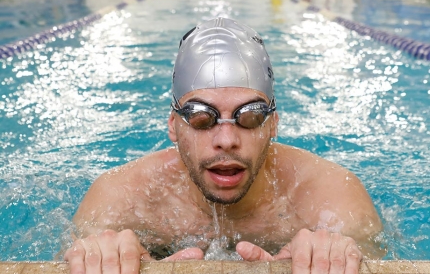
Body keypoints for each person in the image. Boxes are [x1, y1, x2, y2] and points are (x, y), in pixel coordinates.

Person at [65, 17, 384, 274]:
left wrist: (338, 257)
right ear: (174, 126)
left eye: (251, 116)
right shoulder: (118, 199)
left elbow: (382, 263)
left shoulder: (332, 199)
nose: (227, 140)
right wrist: (97, 259)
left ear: (274, 124)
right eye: (201, 117)